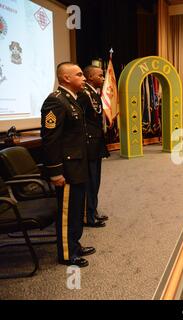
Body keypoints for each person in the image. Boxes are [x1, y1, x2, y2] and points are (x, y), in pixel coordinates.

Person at [40, 62, 95, 268]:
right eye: (79, 75)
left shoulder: (72, 100)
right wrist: (55, 172)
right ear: (66, 78)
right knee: (67, 213)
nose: (84, 78)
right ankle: (66, 253)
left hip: (78, 166)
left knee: (76, 209)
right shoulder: (55, 102)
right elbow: (51, 140)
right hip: (67, 169)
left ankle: (74, 244)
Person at [77, 65, 110, 228]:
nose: (103, 78)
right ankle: (88, 216)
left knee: (95, 181)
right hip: (89, 145)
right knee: (90, 182)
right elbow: (80, 122)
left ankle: (93, 211)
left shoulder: (92, 93)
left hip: (96, 143)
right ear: (90, 77)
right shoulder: (84, 94)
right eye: (100, 75)